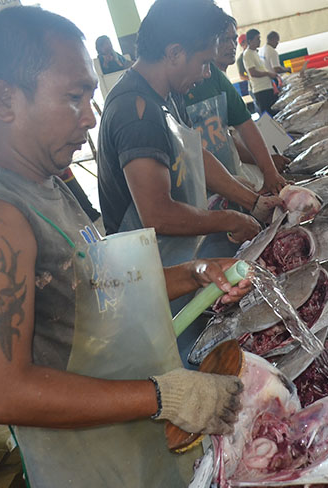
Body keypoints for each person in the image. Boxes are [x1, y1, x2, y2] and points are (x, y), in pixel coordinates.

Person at [0, 6, 248, 488]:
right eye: (74, 97)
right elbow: (1, 392)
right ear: (5, 99)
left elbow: (96, 289)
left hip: (133, 446)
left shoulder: (45, 184)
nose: (90, 116)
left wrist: (195, 274)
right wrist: (164, 395)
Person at [97, 0, 280, 363]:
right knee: (184, 366)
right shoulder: (136, 112)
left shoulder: (164, 96)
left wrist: (251, 202)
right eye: (203, 62)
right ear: (175, 53)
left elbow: (196, 157)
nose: (205, 74)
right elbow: (157, 214)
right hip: (153, 280)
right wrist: (230, 219)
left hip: (180, 261)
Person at [185, 17, 289, 194]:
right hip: (201, 188)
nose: (231, 45)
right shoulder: (177, 87)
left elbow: (244, 123)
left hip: (231, 176)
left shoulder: (216, 76)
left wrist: (269, 170)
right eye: (224, 40)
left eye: (234, 39)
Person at [243, 28, 279, 114]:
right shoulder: (247, 54)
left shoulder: (255, 52)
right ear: (250, 40)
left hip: (267, 87)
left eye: (259, 38)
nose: (259, 41)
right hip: (261, 90)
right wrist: (268, 73)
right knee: (268, 116)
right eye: (257, 39)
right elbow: (253, 72)